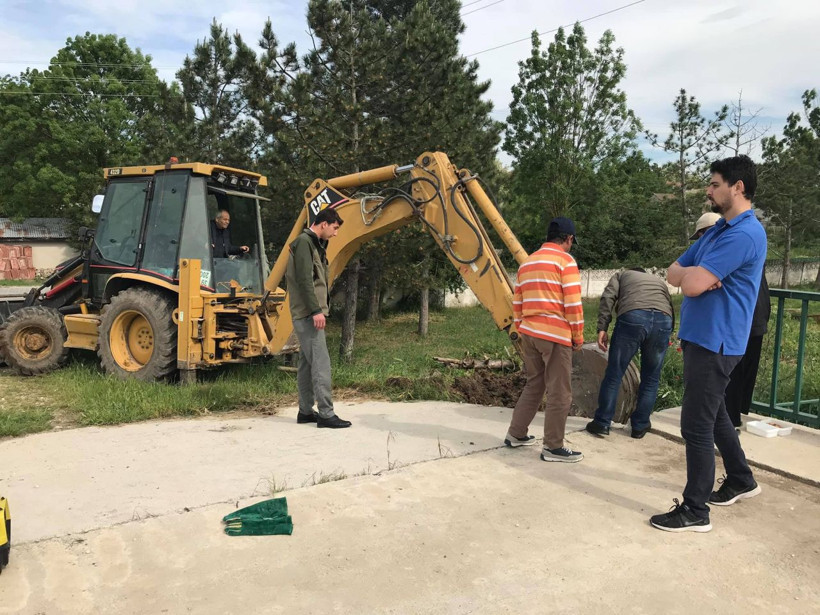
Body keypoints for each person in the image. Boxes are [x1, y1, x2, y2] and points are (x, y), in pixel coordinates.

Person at [650, 155, 766, 533]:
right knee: (714, 415)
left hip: (718, 341)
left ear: (738, 187)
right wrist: (692, 275)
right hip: (702, 339)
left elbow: (694, 283)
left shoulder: (744, 234)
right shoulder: (718, 231)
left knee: (696, 425)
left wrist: (695, 277)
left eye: (715, 184)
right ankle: (740, 477)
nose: (709, 190)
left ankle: (695, 509)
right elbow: (674, 273)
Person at [503, 217, 584, 463]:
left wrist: (523, 327)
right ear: (568, 239)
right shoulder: (565, 261)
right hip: (555, 335)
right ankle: (553, 447)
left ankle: (516, 434)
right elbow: (572, 302)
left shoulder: (527, 263)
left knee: (534, 384)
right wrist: (577, 335)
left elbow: (517, 301)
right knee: (560, 391)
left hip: (529, 333)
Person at [692, 212, 771, 430]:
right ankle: (733, 419)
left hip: (739, 319)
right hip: (757, 316)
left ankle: (729, 421)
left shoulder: (728, 248)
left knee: (730, 374)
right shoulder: (749, 244)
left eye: (701, 236)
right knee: (743, 372)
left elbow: (695, 282)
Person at [585, 268, 674, 440]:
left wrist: (602, 328)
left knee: (615, 373)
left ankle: (602, 422)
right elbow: (669, 304)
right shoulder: (657, 281)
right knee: (651, 378)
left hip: (633, 316)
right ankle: (640, 426)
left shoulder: (621, 275)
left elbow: (608, 297)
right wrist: (668, 331)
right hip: (664, 319)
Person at [285, 207, 351, 429]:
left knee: (306, 363)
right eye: (334, 228)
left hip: (306, 312)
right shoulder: (304, 242)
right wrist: (315, 310)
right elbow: (305, 280)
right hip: (308, 313)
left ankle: (305, 411)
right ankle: (326, 413)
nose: (335, 233)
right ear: (324, 224)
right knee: (321, 363)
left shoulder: (314, 244)